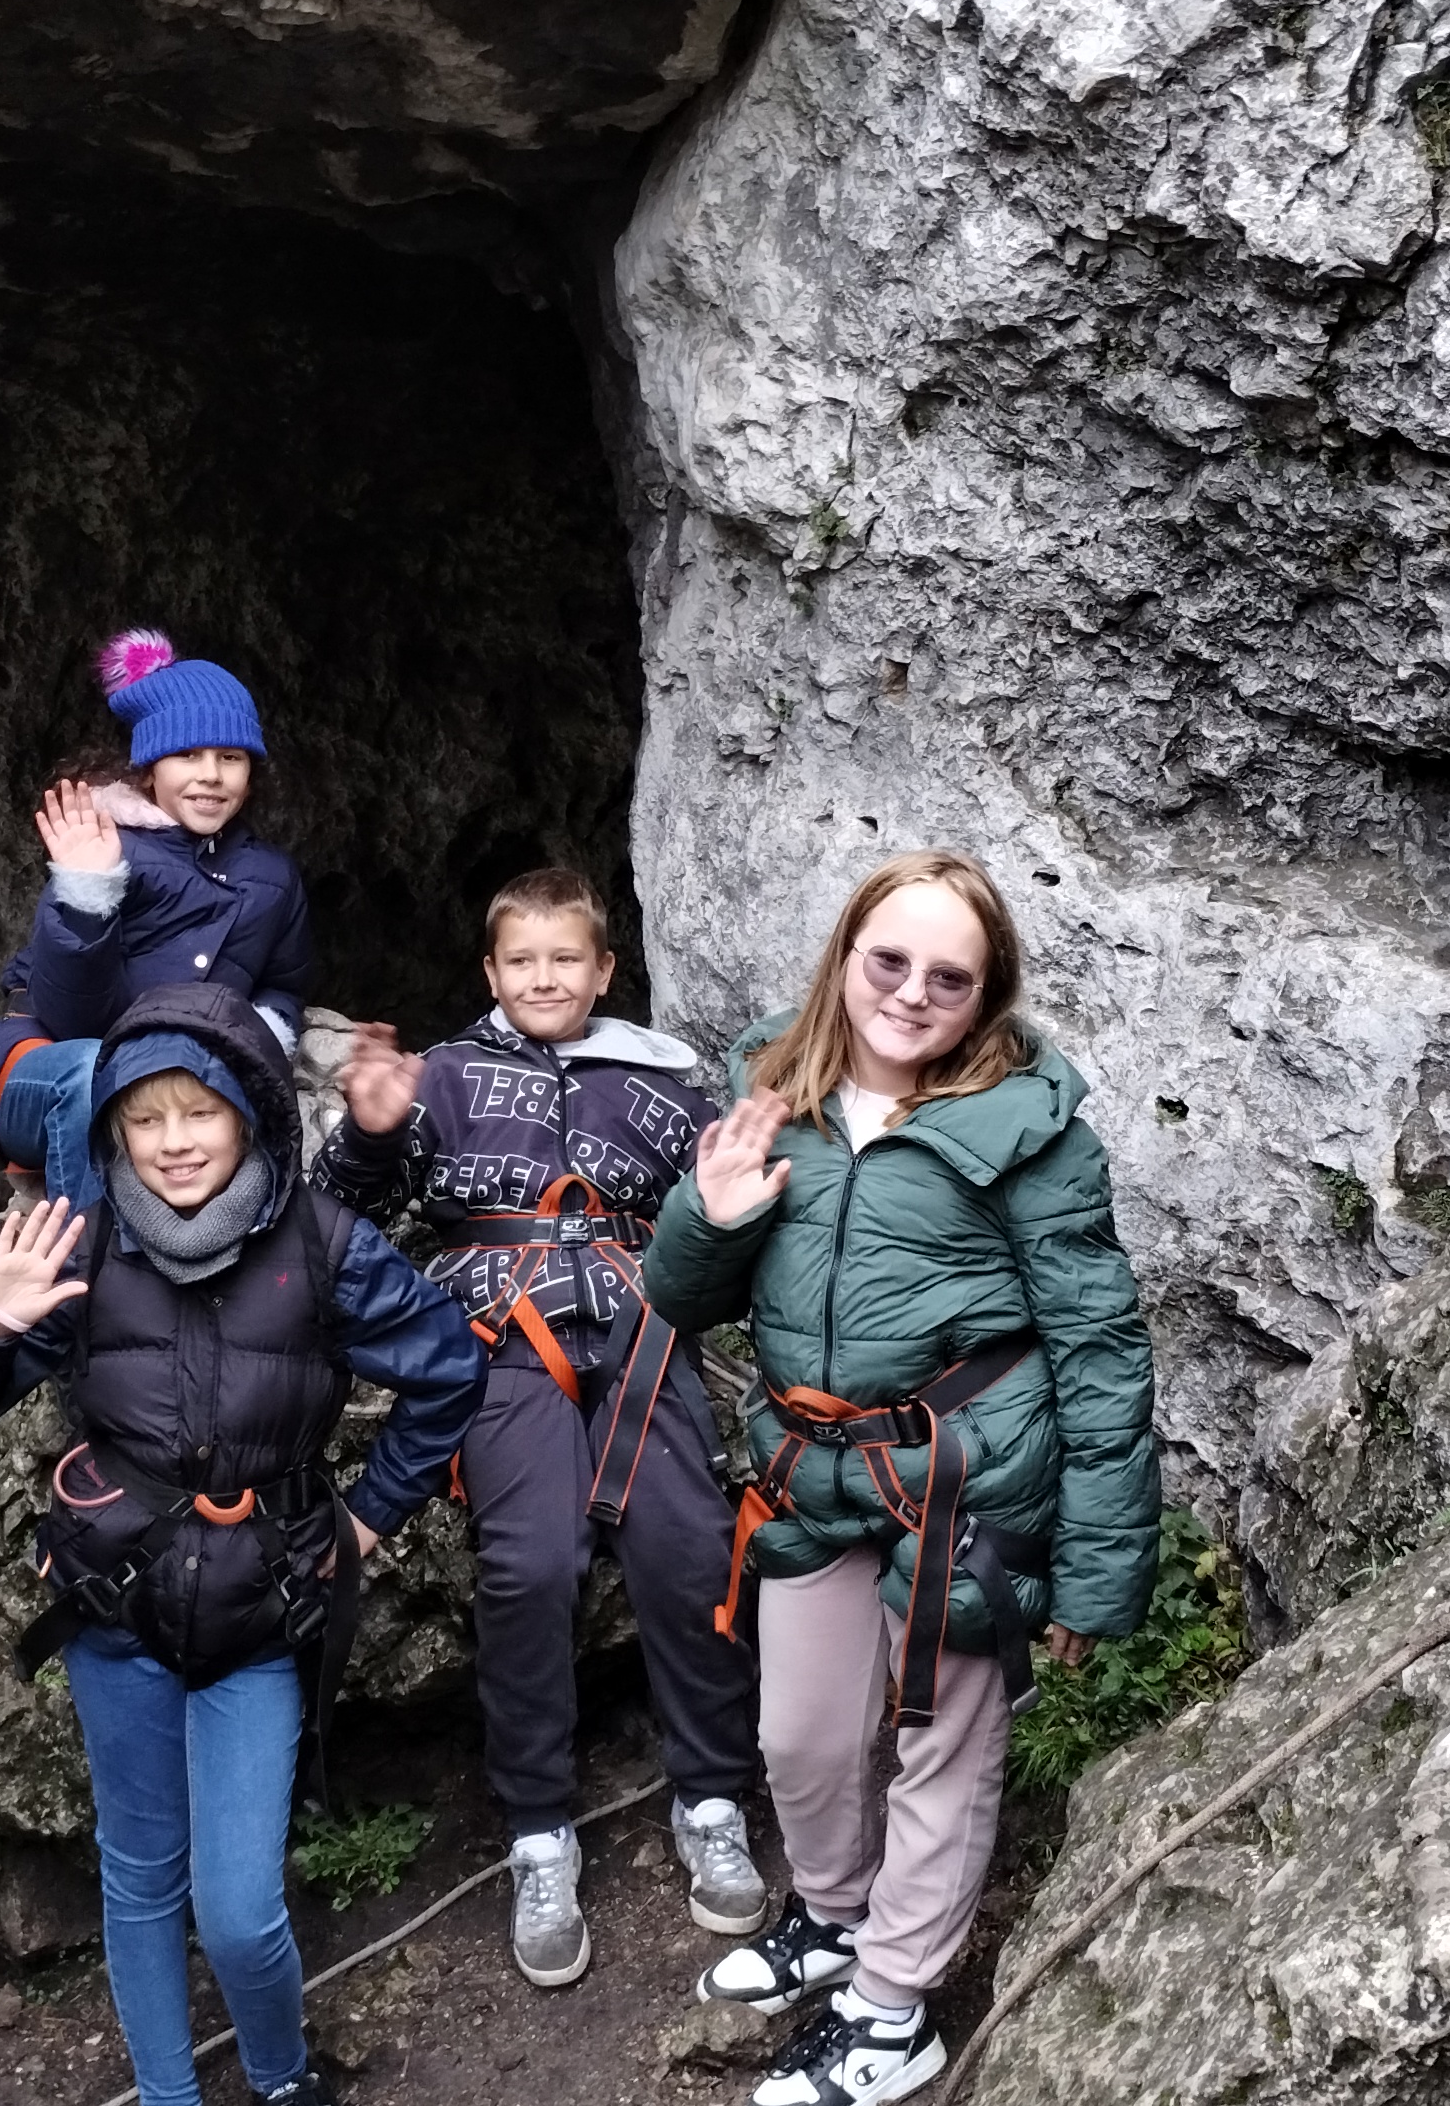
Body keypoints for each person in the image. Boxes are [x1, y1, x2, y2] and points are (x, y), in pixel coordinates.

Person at [641, 852, 1158, 2106]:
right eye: (890, 960)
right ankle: (833, 1914)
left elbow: (1099, 1346)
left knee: (943, 1744)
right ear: (844, 956)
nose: (912, 992)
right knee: (801, 1733)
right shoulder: (777, 1091)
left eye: (949, 976)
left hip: (968, 1481)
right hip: (812, 1469)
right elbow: (681, 1299)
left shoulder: (1034, 1138)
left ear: (986, 997)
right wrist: (710, 1213)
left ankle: (893, 2007)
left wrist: (1095, 1570)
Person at [0, 982, 480, 2106]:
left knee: (238, 1910)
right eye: (145, 1118)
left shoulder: (323, 1245)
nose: (173, 1142)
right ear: (113, 1130)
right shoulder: (81, 1238)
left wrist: (369, 1516)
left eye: (200, 1112)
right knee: (139, 1876)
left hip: (258, 1614)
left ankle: (281, 2079)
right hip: (113, 1603)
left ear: (251, 1115)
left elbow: (450, 1369)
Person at [317, 866, 766, 1984]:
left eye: (567, 957)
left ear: (606, 970)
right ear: (490, 971)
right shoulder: (443, 1077)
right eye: (521, 959)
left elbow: (725, 1213)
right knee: (528, 1563)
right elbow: (341, 1206)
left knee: (690, 1546)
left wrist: (741, 1188)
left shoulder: (665, 1086)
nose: (545, 977)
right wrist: (371, 1130)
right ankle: (538, 1831)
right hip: (501, 1334)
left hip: (641, 1325)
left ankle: (712, 1797)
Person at [0, 629, 315, 1211]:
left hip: (168, 1087)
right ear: (149, 769)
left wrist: (257, 1037)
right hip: (45, 1065)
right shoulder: (104, 847)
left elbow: (283, 984)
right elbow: (71, 1018)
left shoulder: (272, 877)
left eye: (231, 757)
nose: (211, 774)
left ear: (251, 775)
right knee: (91, 1073)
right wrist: (86, 892)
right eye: (187, 755)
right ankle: (88, 1257)